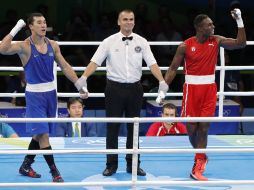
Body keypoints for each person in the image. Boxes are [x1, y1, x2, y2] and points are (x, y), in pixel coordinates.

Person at [75, 9, 168, 176]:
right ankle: (111, 165)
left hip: (135, 89)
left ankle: (133, 164)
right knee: (113, 128)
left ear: (134, 21)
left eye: (131, 19)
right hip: (114, 89)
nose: (128, 22)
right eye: (125, 19)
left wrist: (161, 81)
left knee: (134, 127)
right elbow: (95, 62)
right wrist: (83, 78)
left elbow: (152, 63)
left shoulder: (142, 41)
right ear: (119, 22)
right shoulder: (108, 41)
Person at [0, 13, 84, 182]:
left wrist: (79, 84)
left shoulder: (53, 45)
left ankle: (26, 165)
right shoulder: (24, 46)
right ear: (30, 26)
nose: (43, 25)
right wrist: (16, 28)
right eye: (39, 22)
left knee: (38, 134)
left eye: (45, 22)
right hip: (34, 95)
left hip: (50, 94)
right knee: (43, 134)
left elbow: (65, 66)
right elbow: (2, 48)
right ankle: (55, 172)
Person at [163, 9, 246, 181]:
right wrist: (163, 87)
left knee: (204, 128)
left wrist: (239, 21)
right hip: (191, 90)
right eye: (209, 24)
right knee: (192, 129)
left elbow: (240, 43)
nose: (213, 26)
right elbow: (172, 68)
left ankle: (198, 164)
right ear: (200, 28)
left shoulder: (216, 41)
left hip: (209, 89)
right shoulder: (185, 46)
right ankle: (201, 155)